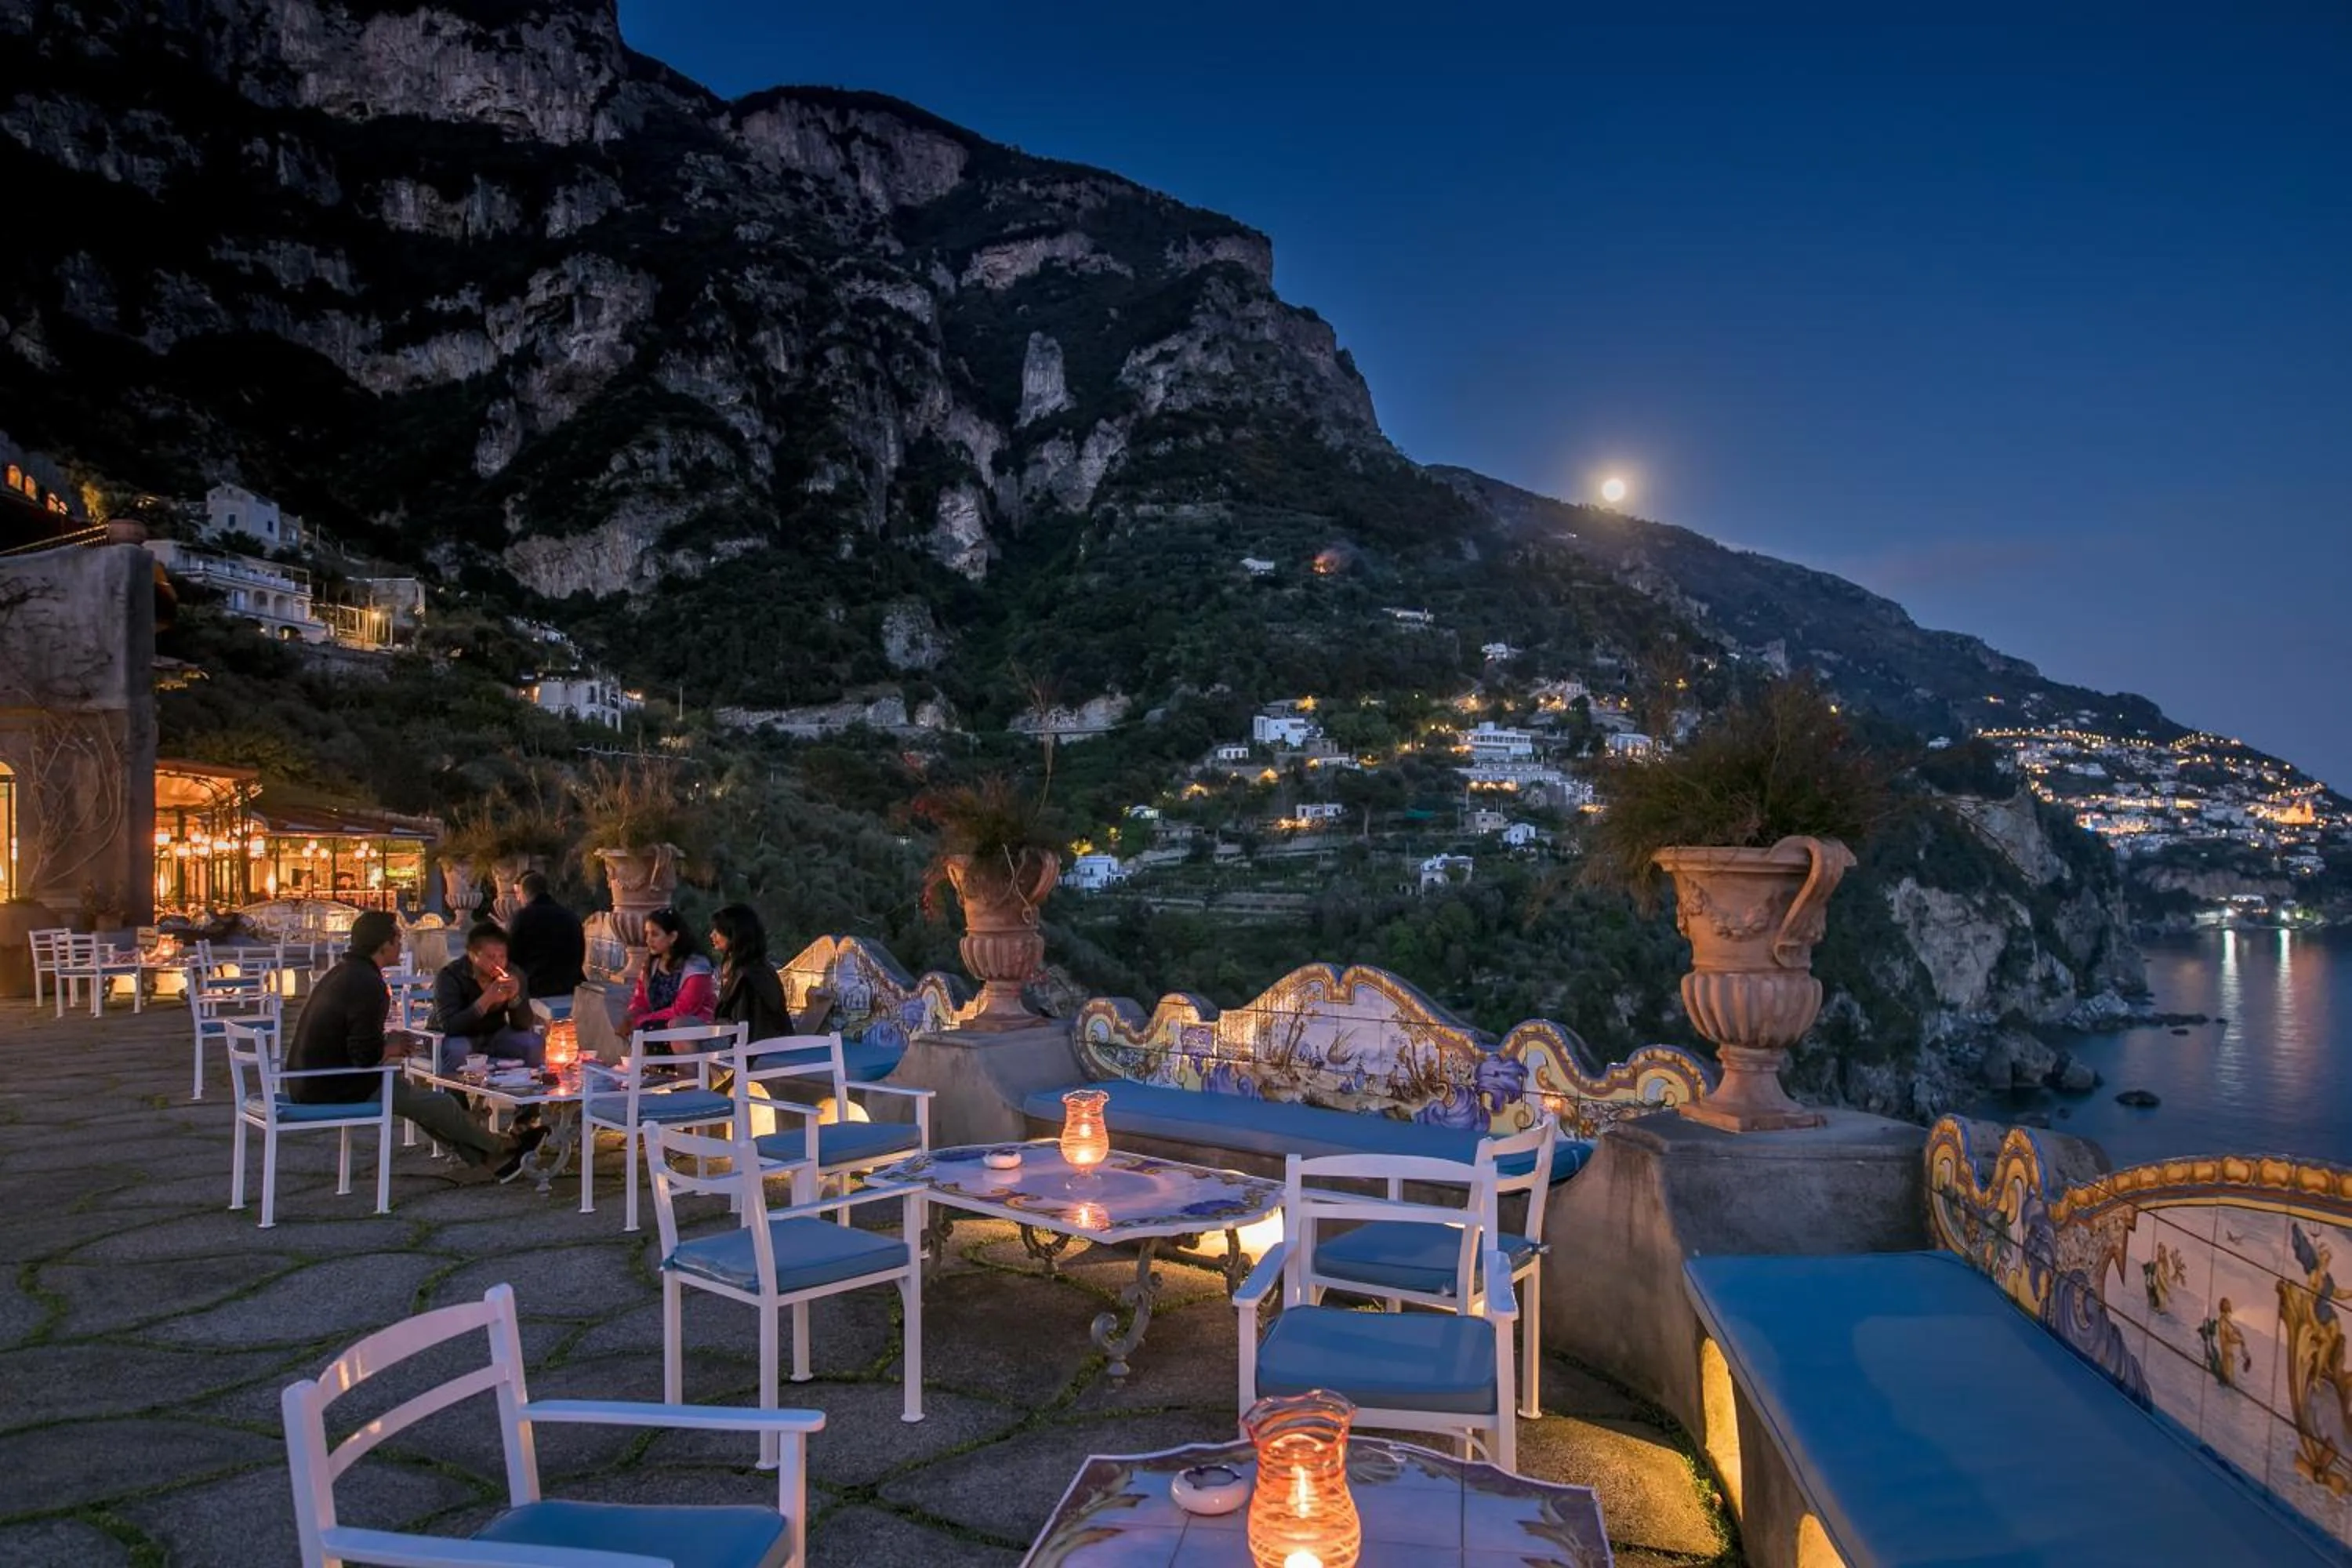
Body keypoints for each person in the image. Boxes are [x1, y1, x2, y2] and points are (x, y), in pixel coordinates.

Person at [287, 910, 543, 1181]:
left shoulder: (346, 972)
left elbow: (355, 1044)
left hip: (313, 1080)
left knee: (427, 1105)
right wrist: (391, 1046)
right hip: (331, 1085)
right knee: (437, 1105)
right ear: (384, 944)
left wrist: (514, 999)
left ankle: (492, 1158)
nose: (401, 944)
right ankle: (503, 1147)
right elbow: (364, 1056)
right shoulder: (368, 983)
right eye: (398, 938)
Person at [430, 921, 544, 1072]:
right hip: (453, 1037)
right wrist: (486, 1001)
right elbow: (450, 1026)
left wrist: (515, 998)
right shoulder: (450, 976)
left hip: (493, 1033)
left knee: (533, 1044)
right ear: (473, 955)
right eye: (491, 957)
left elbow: (523, 1025)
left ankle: (520, 1088)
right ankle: (456, 1095)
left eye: (502, 957)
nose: (498, 963)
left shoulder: (513, 973)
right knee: (458, 1050)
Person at [626, 907, 717, 1040]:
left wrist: (642, 1020)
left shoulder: (696, 967)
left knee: (649, 1030)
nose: (648, 940)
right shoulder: (651, 965)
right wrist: (631, 1016)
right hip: (656, 1025)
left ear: (673, 937)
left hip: (691, 1030)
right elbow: (640, 1000)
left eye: (655, 934)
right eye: (647, 934)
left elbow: (683, 1010)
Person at [503, 870, 584, 1017]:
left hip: (536, 988)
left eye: (518, 895)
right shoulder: (570, 916)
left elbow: (511, 958)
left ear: (524, 893)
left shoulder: (522, 918)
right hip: (570, 985)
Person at [709, 903, 791, 1041]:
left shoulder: (748, 976)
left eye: (718, 931)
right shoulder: (753, 968)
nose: (712, 935)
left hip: (749, 1045)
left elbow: (744, 1022)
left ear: (734, 934)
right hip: (748, 1039)